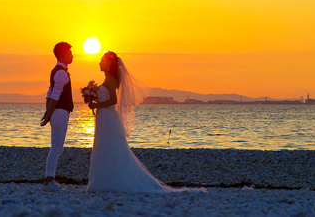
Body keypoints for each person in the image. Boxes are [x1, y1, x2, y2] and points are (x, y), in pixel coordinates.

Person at [87, 51, 204, 193]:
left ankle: (113, 180)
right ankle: (102, 180)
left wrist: (96, 105)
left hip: (108, 116)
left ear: (108, 63)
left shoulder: (111, 79)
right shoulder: (107, 79)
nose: (99, 63)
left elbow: (113, 101)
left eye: (102, 61)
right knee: (102, 146)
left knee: (111, 146)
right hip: (103, 116)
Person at [40, 42, 74, 191]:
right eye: (69, 52)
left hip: (57, 112)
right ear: (62, 54)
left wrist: (48, 112)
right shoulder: (60, 72)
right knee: (56, 147)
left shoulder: (57, 71)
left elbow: (49, 93)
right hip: (59, 112)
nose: (72, 55)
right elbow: (54, 95)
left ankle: (50, 178)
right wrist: (48, 114)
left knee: (57, 147)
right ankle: (49, 179)